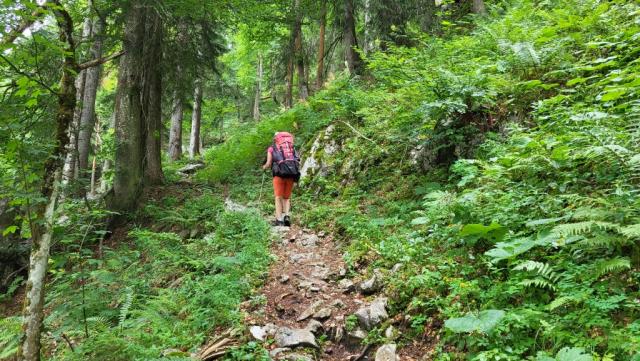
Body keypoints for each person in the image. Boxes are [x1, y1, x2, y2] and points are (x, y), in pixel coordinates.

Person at [262, 132, 300, 226]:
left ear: (275, 139)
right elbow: (298, 159)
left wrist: (264, 167)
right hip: (291, 174)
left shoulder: (272, 148)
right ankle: (287, 216)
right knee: (286, 198)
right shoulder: (291, 147)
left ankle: (279, 220)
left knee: (278, 197)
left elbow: (269, 163)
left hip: (279, 175)